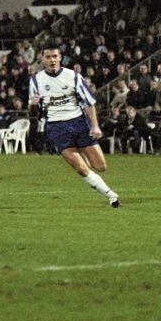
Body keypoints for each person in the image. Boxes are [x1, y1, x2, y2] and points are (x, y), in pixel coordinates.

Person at [29, 43, 119, 208]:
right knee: (79, 167)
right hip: (56, 127)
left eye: (55, 56)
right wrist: (33, 104)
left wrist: (95, 126)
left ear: (60, 57)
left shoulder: (73, 76)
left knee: (101, 166)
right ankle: (111, 195)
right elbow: (34, 111)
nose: (52, 60)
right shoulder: (36, 80)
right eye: (48, 57)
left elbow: (89, 102)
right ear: (42, 59)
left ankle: (85, 156)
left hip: (78, 123)